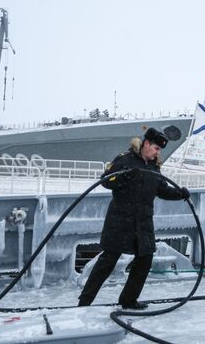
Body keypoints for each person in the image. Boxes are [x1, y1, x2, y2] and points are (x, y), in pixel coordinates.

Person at [78, 127, 190, 309]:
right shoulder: (125, 159)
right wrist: (124, 176)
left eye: (159, 150)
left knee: (144, 260)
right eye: (156, 148)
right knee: (107, 261)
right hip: (120, 221)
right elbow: (107, 180)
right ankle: (84, 302)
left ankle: (128, 300)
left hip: (143, 223)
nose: (158, 152)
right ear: (146, 144)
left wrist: (180, 193)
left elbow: (161, 190)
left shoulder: (154, 167)